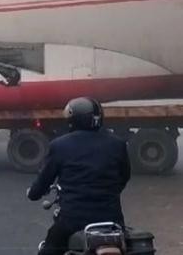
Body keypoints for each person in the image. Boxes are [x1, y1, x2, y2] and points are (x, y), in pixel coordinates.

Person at [27, 97, 131, 255]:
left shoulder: (60, 145)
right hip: (112, 221)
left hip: (73, 220)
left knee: (49, 248)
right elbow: (124, 176)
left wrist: (33, 193)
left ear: (72, 120)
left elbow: (44, 180)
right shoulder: (117, 144)